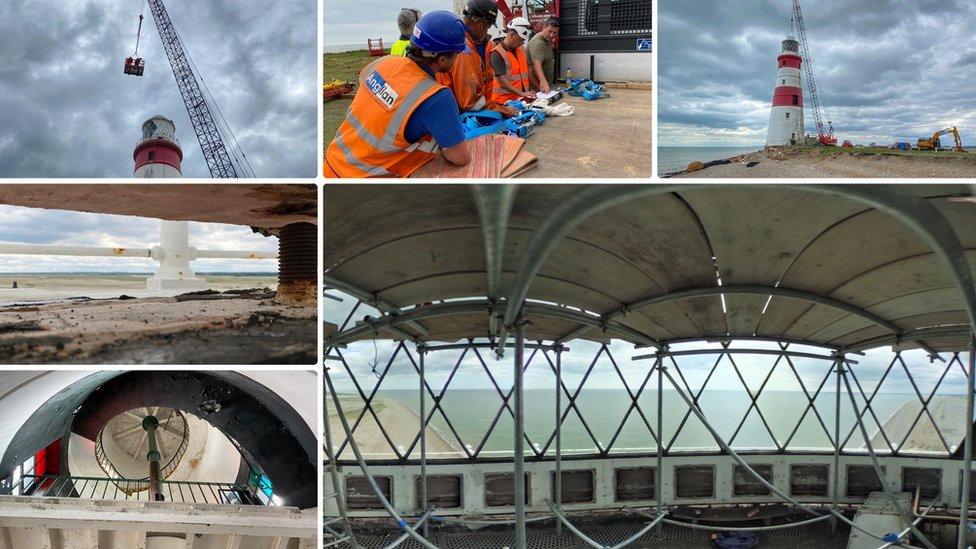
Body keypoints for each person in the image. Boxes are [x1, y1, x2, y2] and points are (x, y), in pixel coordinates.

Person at [324, 11, 471, 178]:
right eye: (457, 54)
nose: (458, 58)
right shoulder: (437, 98)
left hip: (331, 164)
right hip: (362, 181)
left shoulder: (386, 62)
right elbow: (460, 157)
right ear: (443, 59)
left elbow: (364, 81)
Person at [436, 0, 517, 118]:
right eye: (487, 27)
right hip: (461, 120)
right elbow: (471, 102)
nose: (487, 32)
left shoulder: (473, 44)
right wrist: (504, 111)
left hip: (470, 115)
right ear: (480, 26)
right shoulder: (464, 52)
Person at [489, 17, 537, 107]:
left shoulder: (521, 49)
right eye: (520, 40)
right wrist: (522, 93)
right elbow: (502, 80)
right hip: (503, 103)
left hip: (520, 100)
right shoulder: (497, 53)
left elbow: (524, 74)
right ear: (511, 34)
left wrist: (529, 91)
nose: (522, 43)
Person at [527, 17, 559, 93]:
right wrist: (542, 83)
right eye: (550, 31)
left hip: (546, 87)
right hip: (537, 89)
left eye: (555, 33)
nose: (552, 35)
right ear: (544, 27)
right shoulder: (538, 43)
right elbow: (536, 65)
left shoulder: (548, 40)